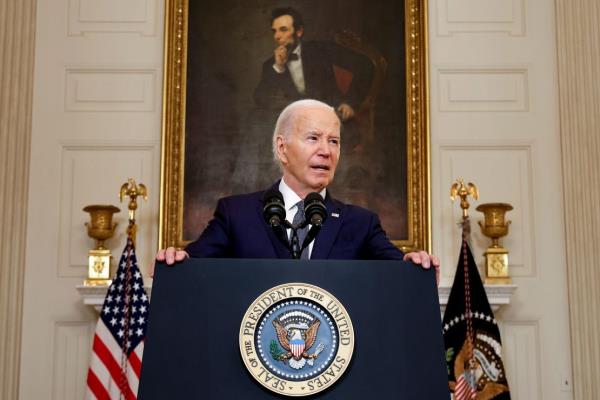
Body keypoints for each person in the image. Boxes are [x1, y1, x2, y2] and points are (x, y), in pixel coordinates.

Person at [157, 99, 440, 282]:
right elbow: (191, 268)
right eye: (313, 138)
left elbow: (399, 271)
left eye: (334, 141)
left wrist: (414, 266)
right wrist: (178, 262)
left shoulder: (361, 223)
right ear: (282, 148)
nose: (326, 151)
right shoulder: (236, 214)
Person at [253, 7, 361, 123]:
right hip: (294, 126)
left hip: (330, 119)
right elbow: (260, 99)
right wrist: (279, 68)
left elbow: (363, 67)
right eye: (274, 31)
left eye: (283, 30)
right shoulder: (271, 65)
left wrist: (349, 103)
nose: (277, 36)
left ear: (299, 31)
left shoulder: (321, 50)